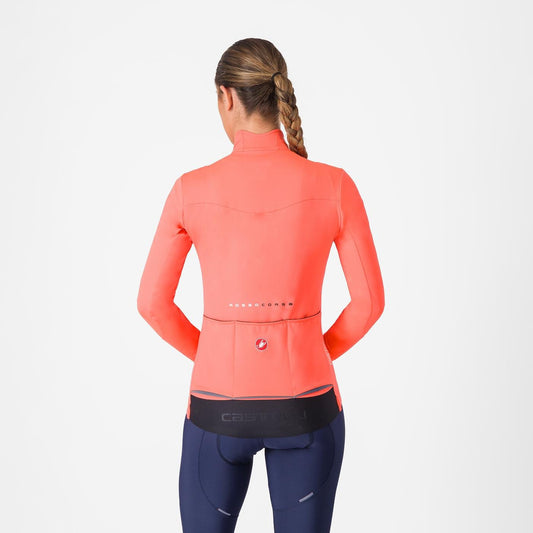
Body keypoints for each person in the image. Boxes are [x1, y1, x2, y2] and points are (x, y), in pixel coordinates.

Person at [137, 37, 385, 533]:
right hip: (308, 406)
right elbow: (369, 304)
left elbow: (152, 304)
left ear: (226, 96)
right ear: (278, 94)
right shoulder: (335, 184)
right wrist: (313, 350)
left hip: (216, 410)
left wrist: (216, 353)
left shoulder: (190, 189)